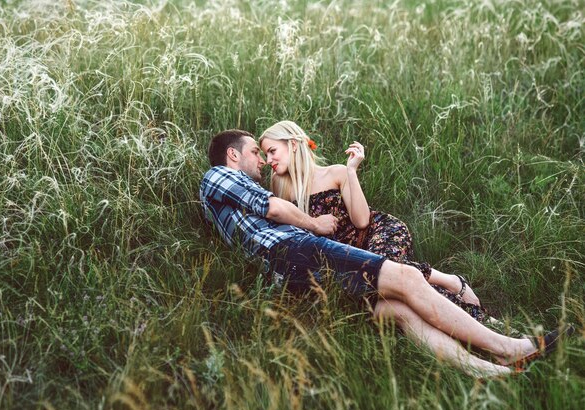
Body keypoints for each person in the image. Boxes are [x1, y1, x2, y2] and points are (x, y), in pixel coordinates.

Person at [200, 128, 567, 378]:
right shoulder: (217, 176)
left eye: (267, 152)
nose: (261, 160)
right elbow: (274, 210)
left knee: (395, 308)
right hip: (295, 249)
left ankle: (493, 373)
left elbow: (359, 218)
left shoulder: (321, 175)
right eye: (254, 152)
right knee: (404, 276)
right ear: (233, 155)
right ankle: (510, 347)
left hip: (293, 269)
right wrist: (314, 225)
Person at [259, 120, 489, 322]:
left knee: (389, 272)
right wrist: (313, 221)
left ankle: (459, 293)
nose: (268, 160)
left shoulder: (335, 173)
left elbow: (361, 221)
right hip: (351, 254)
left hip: (378, 231)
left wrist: (351, 171)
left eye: (272, 151)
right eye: (265, 155)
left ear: (293, 144)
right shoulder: (280, 184)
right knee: (387, 292)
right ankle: (468, 318)